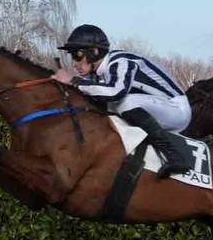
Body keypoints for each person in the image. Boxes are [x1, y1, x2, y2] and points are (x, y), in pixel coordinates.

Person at [54, 24, 195, 178]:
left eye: (78, 55)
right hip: (157, 109)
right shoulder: (97, 75)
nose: (74, 63)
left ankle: (175, 156)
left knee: (123, 101)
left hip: (177, 109)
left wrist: (74, 81)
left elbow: (116, 92)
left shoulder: (121, 61)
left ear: (94, 52)